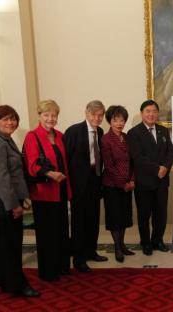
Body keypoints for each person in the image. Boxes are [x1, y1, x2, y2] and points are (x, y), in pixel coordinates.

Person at [0, 105, 39, 297]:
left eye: (13, 118)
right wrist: (13, 205)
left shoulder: (6, 140)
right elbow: (1, 177)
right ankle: (18, 285)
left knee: (7, 243)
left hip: (6, 198)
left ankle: (3, 280)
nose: (10, 122)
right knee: (12, 244)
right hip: (2, 200)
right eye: (5, 119)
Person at [24, 100, 72, 282]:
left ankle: (62, 266)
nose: (50, 118)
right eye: (47, 115)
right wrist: (52, 174)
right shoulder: (32, 136)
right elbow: (32, 164)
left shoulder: (60, 136)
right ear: (40, 116)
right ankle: (48, 271)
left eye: (53, 115)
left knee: (61, 230)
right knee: (47, 234)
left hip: (60, 190)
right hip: (44, 192)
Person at [64, 100, 108, 273]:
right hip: (78, 183)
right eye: (94, 115)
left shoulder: (101, 131)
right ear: (86, 113)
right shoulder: (74, 131)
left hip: (94, 180)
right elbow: (65, 160)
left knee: (93, 219)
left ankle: (91, 251)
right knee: (79, 221)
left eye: (100, 115)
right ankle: (78, 258)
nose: (97, 118)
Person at [127, 100, 173, 256]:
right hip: (144, 182)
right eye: (148, 111)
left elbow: (170, 152)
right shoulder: (134, 133)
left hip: (162, 181)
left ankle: (157, 240)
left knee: (161, 214)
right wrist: (157, 169)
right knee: (144, 214)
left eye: (154, 111)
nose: (151, 114)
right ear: (142, 113)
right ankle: (146, 243)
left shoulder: (163, 130)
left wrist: (166, 167)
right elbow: (138, 157)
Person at [101, 105, 135, 262]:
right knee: (115, 218)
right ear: (110, 120)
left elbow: (132, 161)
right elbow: (109, 166)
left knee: (124, 217)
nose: (120, 123)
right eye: (116, 120)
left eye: (122, 120)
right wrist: (123, 184)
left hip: (128, 184)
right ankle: (116, 248)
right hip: (113, 186)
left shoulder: (127, 138)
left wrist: (132, 180)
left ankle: (122, 245)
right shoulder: (106, 139)